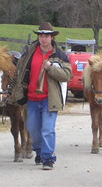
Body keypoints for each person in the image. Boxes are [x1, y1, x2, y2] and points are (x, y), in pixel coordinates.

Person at [11, 22, 72, 170]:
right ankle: (39, 151)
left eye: (47, 36)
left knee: (47, 129)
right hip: (31, 98)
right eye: (41, 36)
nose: (44, 39)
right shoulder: (29, 52)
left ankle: (48, 158)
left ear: (52, 37)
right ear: (38, 37)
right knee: (33, 129)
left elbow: (67, 75)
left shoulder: (59, 55)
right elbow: (19, 70)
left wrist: (50, 68)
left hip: (49, 99)